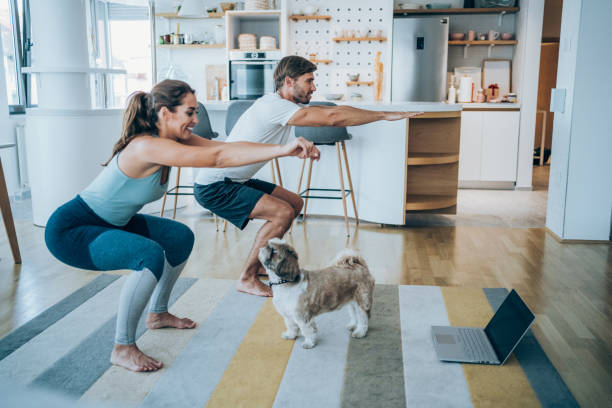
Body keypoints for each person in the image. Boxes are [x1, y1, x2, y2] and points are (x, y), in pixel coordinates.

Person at [44, 79, 319, 373]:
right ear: (165, 113)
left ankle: (158, 314)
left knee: (179, 237)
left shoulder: (173, 140)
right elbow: (217, 158)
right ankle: (122, 347)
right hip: (73, 230)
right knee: (148, 255)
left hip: (112, 223)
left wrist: (284, 147)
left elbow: (225, 148)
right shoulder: (147, 146)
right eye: (189, 113)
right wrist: (282, 150)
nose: (196, 120)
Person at [194, 56, 423, 297]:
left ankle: (261, 264)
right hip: (215, 185)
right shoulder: (274, 105)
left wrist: (296, 151)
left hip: (233, 180)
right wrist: (384, 115)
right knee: (281, 212)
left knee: (294, 203)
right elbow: (332, 117)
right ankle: (247, 278)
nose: (314, 87)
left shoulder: (282, 107)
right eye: (309, 81)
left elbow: (261, 144)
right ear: (289, 81)